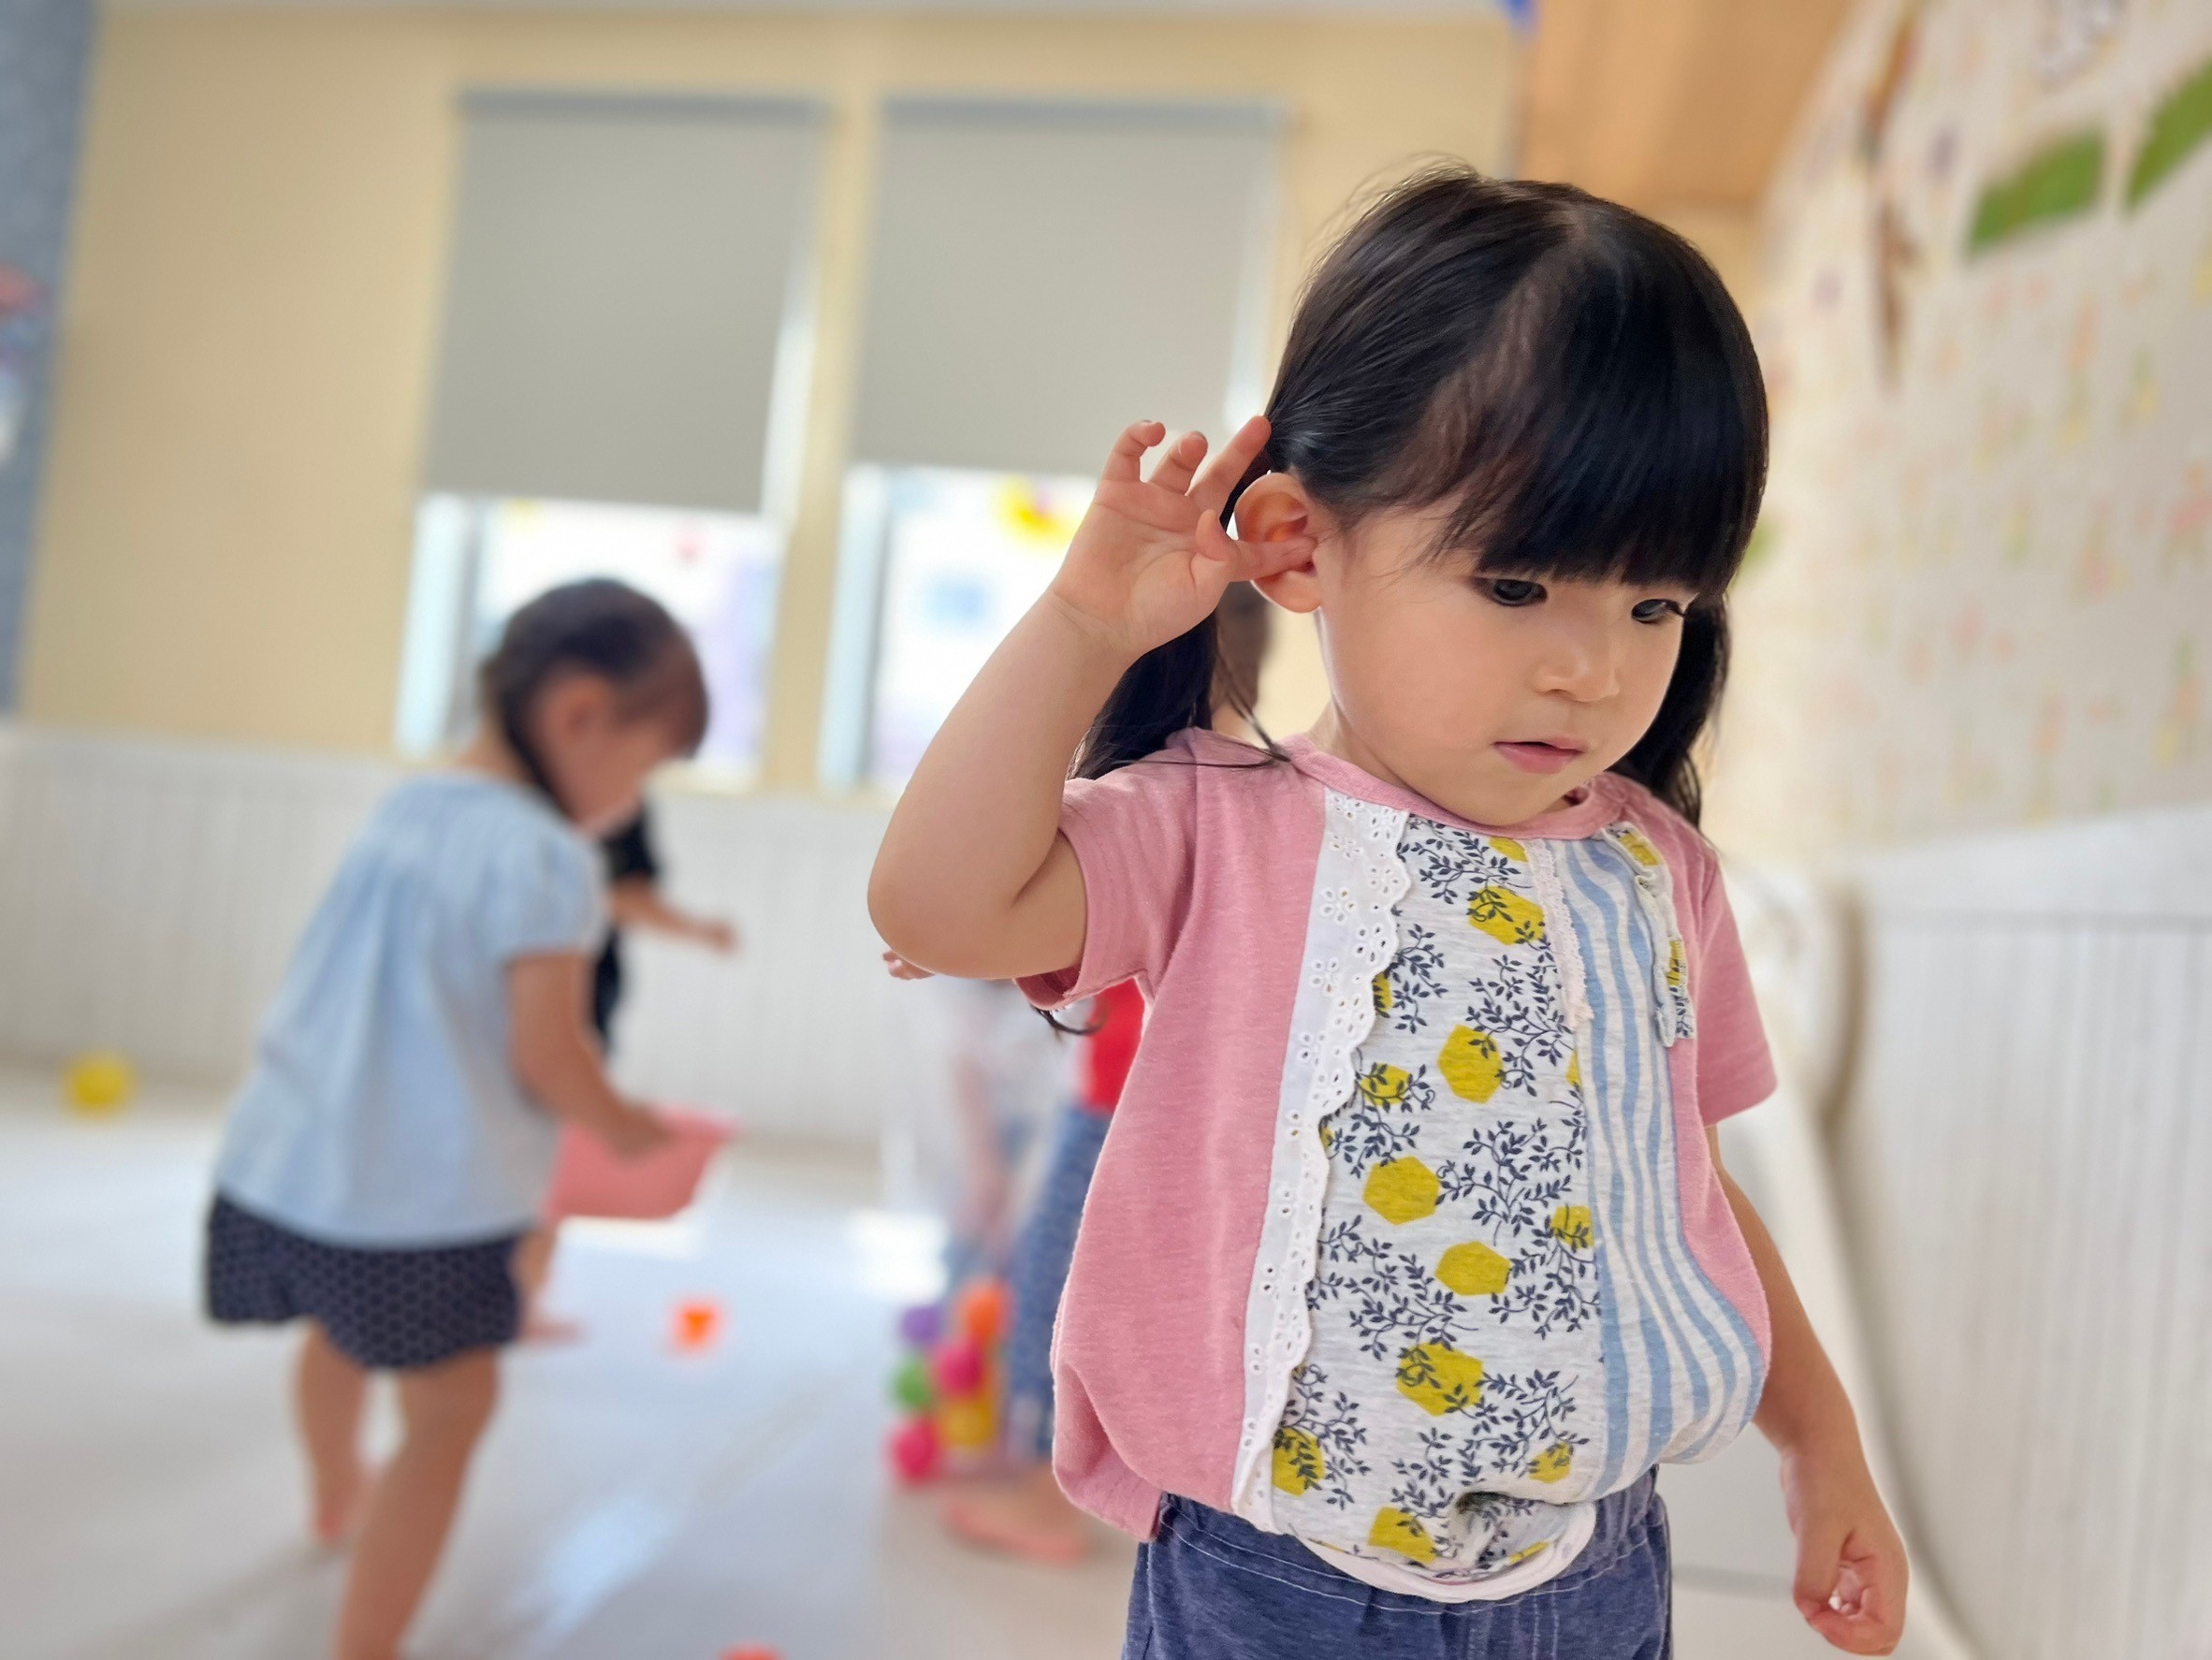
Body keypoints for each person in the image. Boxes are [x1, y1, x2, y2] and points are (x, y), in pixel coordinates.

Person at [869, 167, 1909, 1658]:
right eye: (1518, 583)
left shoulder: (1658, 869)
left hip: (1599, 1572)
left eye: (1655, 606)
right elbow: (937, 905)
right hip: (1278, 1584)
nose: (1595, 669)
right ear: (1299, 544)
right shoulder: (1221, 824)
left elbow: (1687, 1193)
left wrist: (1824, 1444)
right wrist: (1084, 628)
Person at [203, 579, 705, 1660]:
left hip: (286, 1166)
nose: (630, 803)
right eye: (641, 769)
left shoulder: (407, 806)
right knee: (450, 1409)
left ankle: (336, 1489)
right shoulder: (547, 854)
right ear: (579, 714)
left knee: (337, 1336)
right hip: (417, 1203)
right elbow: (549, 1053)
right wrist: (625, 1126)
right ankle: (364, 1645)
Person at [937, 584, 1270, 1565]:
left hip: (1127, 1106)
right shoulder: (1242, 791)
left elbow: (1014, 901)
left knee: (1067, 1294)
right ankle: (1079, 1472)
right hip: (1174, 1107)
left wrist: (956, 932)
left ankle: (1054, 1493)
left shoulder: (1158, 795)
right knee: (1136, 1304)